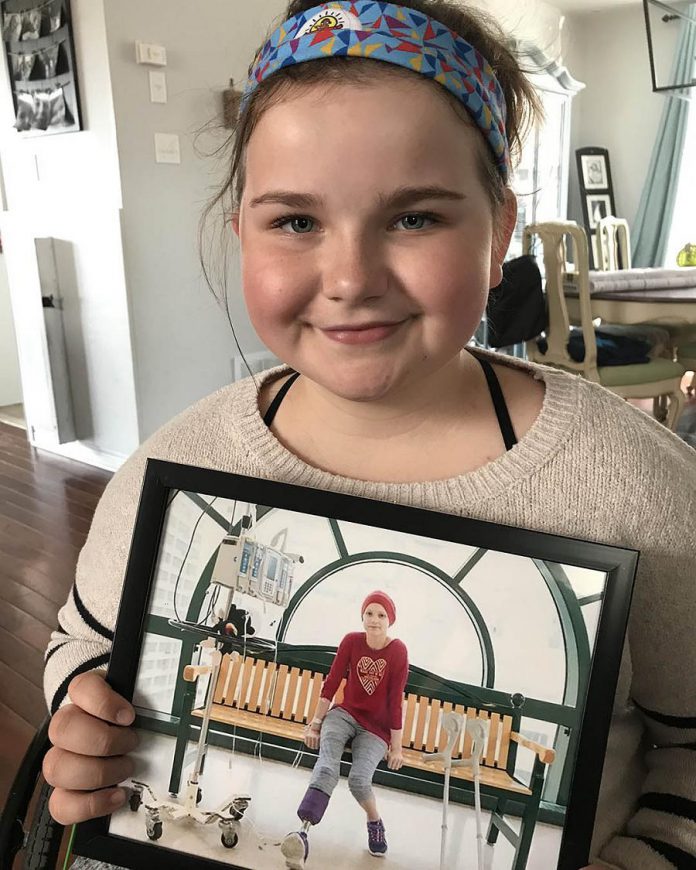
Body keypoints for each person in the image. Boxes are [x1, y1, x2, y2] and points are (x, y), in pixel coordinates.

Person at [41, 2, 696, 869]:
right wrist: (84, 715)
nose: (351, 278)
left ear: (498, 231)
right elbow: (85, 643)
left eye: (414, 218)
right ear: (241, 234)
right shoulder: (175, 466)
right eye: (296, 222)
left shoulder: (638, 488)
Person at [281, 591, 408, 867]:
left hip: (376, 730)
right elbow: (332, 683)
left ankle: (374, 821)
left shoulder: (398, 650)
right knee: (327, 766)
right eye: (369, 613)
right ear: (362, 616)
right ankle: (303, 832)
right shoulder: (351, 641)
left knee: (358, 780)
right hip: (344, 716)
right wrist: (315, 724)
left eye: (381, 615)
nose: (374, 620)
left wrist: (396, 747)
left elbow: (395, 701)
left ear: (390, 620)